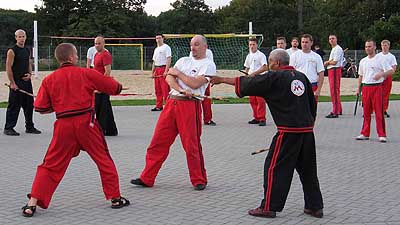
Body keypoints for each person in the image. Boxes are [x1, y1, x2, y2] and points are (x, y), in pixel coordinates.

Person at [210, 49, 324, 219]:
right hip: (307, 132)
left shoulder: (274, 77)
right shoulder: (302, 77)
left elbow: (248, 82)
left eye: (270, 62)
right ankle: (315, 207)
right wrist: (308, 125)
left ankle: (269, 207)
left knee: (273, 168)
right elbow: (312, 104)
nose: (269, 65)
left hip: (287, 133)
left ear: (277, 63)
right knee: (308, 171)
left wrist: (221, 80)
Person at [21, 43, 130, 217]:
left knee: (50, 164)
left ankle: (32, 203)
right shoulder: (86, 73)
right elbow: (113, 87)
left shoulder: (49, 79)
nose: (78, 57)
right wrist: (119, 87)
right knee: (103, 159)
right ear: (72, 57)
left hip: (63, 125)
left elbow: (40, 107)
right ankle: (115, 197)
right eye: (76, 55)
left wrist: (56, 105)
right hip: (86, 124)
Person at [130, 35, 216, 191]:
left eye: (196, 44)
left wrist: (179, 74)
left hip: (190, 106)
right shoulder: (183, 60)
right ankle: (147, 177)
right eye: (191, 45)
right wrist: (181, 88)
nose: (193, 47)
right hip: (172, 102)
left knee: (191, 145)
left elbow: (195, 83)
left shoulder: (208, 65)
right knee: (158, 142)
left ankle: (199, 179)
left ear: (205, 46)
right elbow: (169, 78)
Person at [3, 29, 41, 136]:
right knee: (14, 106)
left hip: (26, 81)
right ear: (16, 38)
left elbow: (29, 63)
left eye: (23, 36)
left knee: (29, 105)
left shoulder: (27, 49)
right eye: (19, 37)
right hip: (16, 82)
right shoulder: (12, 51)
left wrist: (30, 74)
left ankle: (29, 127)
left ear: (25, 37)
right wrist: (12, 83)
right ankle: (8, 128)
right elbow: (8, 67)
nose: (21, 38)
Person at [355, 39, 394, 143]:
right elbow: (361, 75)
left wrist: (381, 74)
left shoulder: (380, 59)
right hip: (366, 87)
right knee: (366, 112)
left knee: (378, 111)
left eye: (370, 46)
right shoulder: (363, 61)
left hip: (377, 87)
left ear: (375, 47)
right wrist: (358, 88)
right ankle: (365, 133)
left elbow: (391, 71)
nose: (368, 48)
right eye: (366, 47)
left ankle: (381, 134)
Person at [93, 36, 118, 136]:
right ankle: (111, 130)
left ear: (104, 44)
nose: (97, 45)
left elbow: (107, 71)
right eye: (95, 43)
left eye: (99, 43)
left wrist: (101, 86)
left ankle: (102, 129)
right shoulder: (96, 55)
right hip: (96, 84)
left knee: (102, 108)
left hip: (102, 86)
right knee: (104, 107)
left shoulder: (106, 55)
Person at [290, 34, 324, 101]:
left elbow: (321, 74)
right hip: (298, 86)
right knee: (299, 108)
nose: (304, 44)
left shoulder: (317, 57)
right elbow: (291, 72)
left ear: (311, 43)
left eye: (306, 42)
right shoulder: (294, 56)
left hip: (312, 85)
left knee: (312, 109)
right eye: (303, 42)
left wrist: (318, 90)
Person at [244, 37, 268, 126]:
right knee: (252, 100)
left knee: (260, 100)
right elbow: (247, 67)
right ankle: (256, 117)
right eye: (250, 44)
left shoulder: (261, 55)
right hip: (251, 80)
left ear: (257, 45)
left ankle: (262, 118)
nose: (252, 46)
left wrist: (254, 73)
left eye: (253, 44)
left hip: (259, 79)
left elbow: (265, 67)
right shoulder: (248, 55)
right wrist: (245, 76)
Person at [190, 48, 216, 126]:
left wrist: (211, 78)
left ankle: (208, 119)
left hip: (204, 79)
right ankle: (193, 119)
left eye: (198, 44)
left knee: (206, 99)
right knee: (193, 100)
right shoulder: (192, 52)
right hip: (194, 78)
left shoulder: (208, 52)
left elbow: (211, 66)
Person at [324, 34, 344, 118]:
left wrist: (327, 62)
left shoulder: (337, 49)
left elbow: (334, 62)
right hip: (332, 70)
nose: (331, 40)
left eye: (333, 38)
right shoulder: (334, 49)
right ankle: (338, 109)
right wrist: (329, 61)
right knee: (334, 91)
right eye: (330, 39)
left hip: (335, 70)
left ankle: (335, 111)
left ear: (336, 39)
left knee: (334, 91)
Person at [151, 34, 172, 111]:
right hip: (157, 68)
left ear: (163, 38)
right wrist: (152, 72)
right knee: (158, 89)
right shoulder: (156, 49)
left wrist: (166, 70)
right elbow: (154, 61)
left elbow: (168, 59)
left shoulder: (166, 47)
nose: (158, 39)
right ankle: (159, 105)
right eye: (156, 38)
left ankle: (168, 105)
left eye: (159, 38)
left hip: (163, 68)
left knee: (165, 88)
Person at [377, 40, 397, 118]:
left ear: (389, 46)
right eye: (383, 45)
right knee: (377, 94)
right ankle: (372, 109)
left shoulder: (391, 57)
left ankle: (383, 110)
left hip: (387, 77)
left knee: (385, 94)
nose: (384, 47)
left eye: (386, 45)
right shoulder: (378, 56)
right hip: (379, 77)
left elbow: (394, 68)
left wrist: (386, 73)